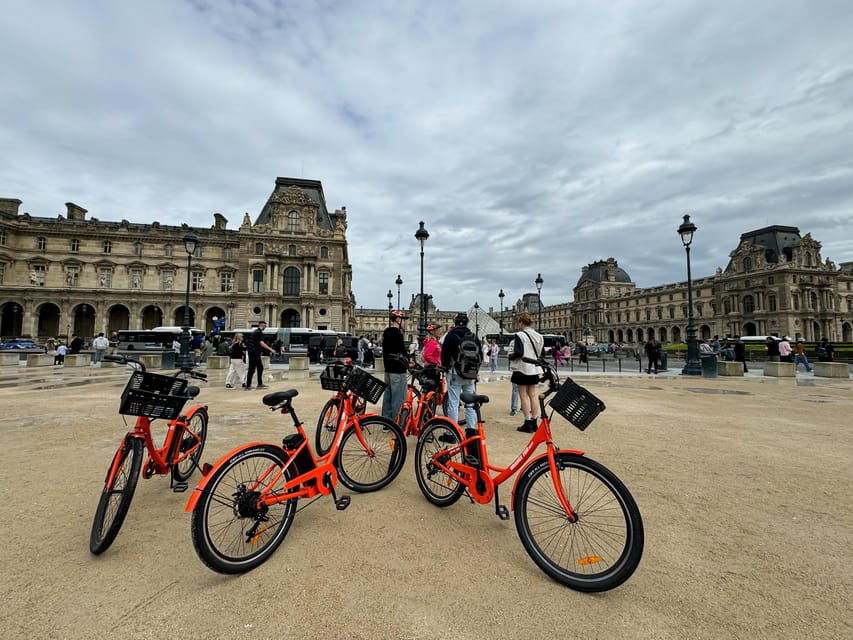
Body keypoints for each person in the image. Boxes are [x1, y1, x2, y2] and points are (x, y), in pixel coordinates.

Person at [441, 312, 482, 429]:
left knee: (453, 403)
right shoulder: (473, 336)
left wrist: (445, 367)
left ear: (455, 322)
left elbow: (444, 355)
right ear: (467, 323)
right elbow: (480, 356)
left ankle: (452, 432)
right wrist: (474, 370)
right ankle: (471, 430)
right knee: (470, 404)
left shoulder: (451, 336)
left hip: (454, 373)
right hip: (470, 374)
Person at [508, 313, 544, 433]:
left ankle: (527, 422)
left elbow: (519, 352)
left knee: (523, 395)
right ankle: (534, 421)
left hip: (522, 368)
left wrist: (510, 356)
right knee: (533, 395)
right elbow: (541, 353)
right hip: (534, 368)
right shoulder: (539, 336)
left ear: (522, 323)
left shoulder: (519, 335)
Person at [381, 310, 409, 421]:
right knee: (398, 398)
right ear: (398, 320)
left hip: (388, 369)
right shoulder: (398, 334)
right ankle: (397, 422)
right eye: (404, 320)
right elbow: (401, 351)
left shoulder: (386, 332)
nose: (405, 323)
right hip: (398, 370)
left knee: (388, 396)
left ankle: (386, 421)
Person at [245, 321, 275, 390]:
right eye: (265, 326)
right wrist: (271, 349)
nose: (266, 327)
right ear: (262, 325)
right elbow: (262, 343)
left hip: (255, 352)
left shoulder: (257, 332)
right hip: (253, 352)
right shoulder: (258, 332)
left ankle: (259, 384)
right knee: (251, 369)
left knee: (260, 367)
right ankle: (248, 385)